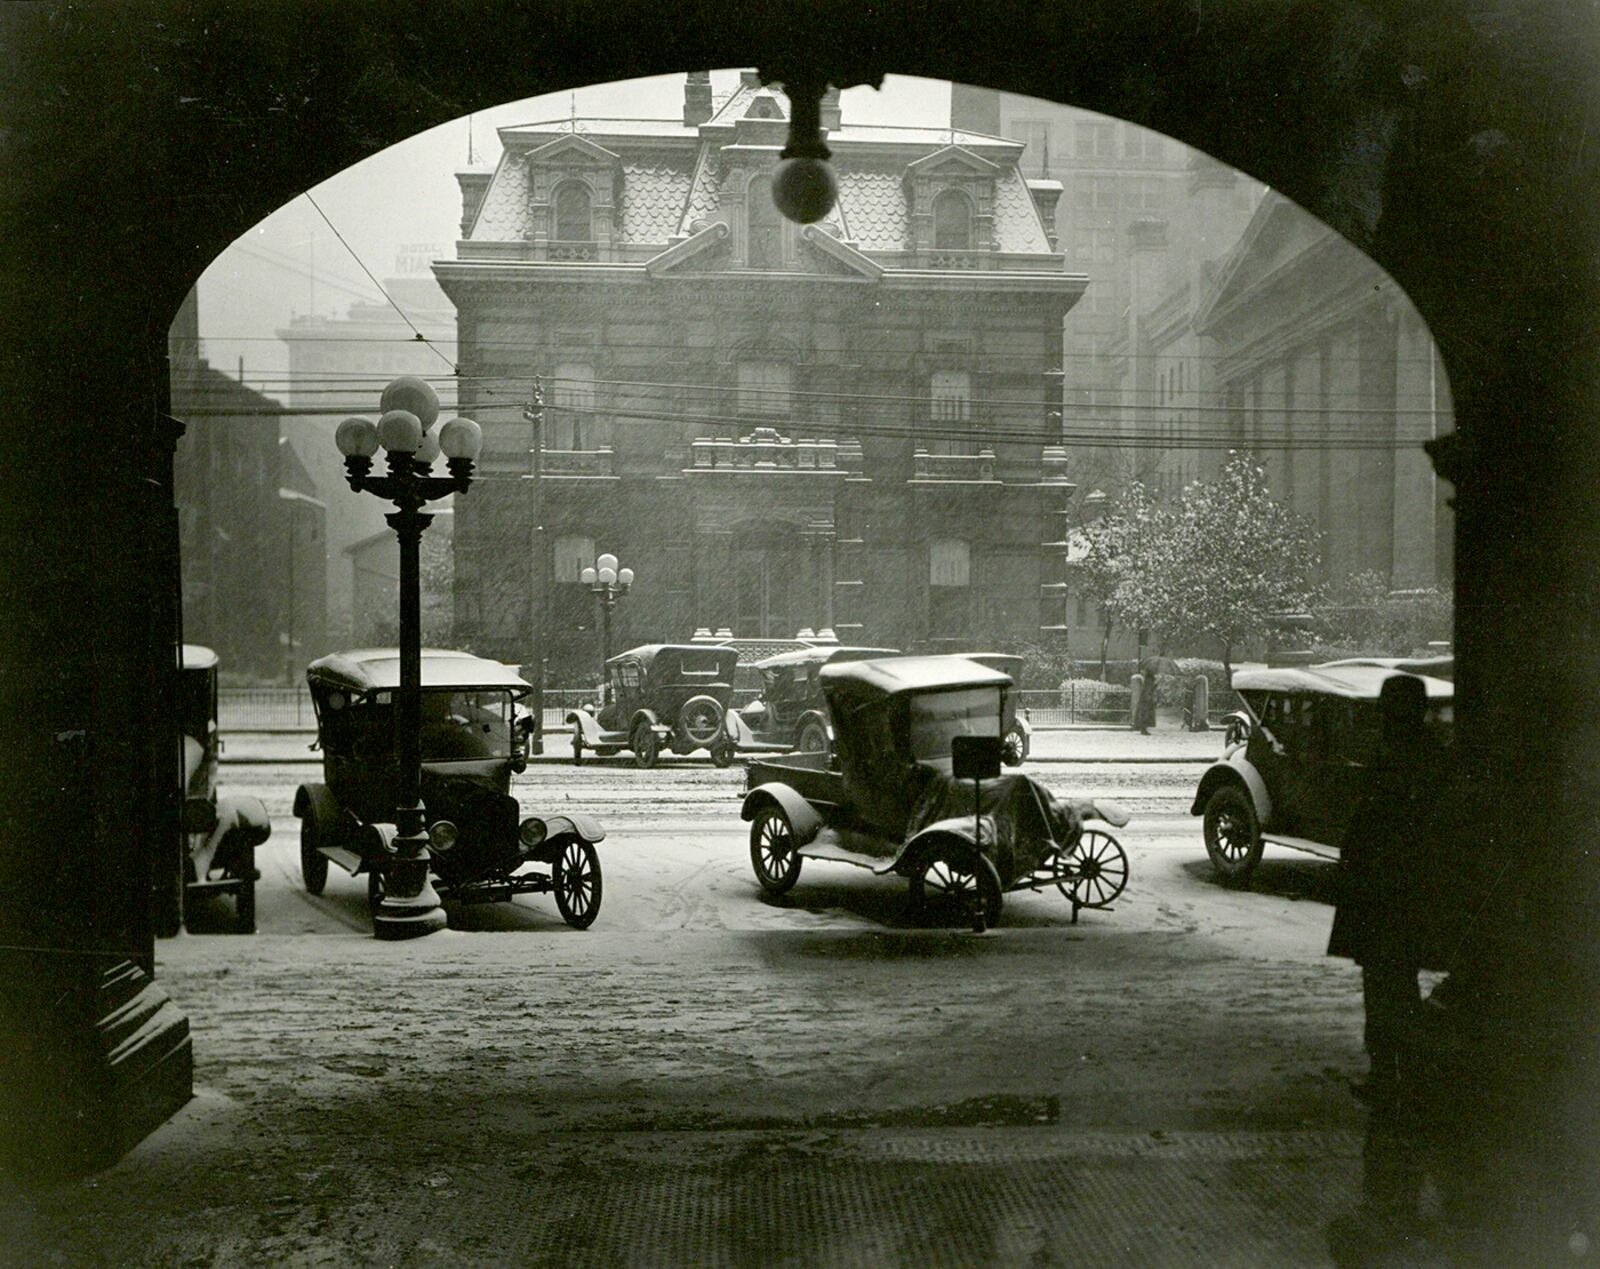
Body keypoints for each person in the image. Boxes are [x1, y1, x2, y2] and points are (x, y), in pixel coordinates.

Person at [1326, 673, 1451, 1262]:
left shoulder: (1395, 761)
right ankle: (1400, 1068)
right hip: (1412, 892)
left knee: (1384, 985)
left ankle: (1391, 1069)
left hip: (1385, 894)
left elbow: (1373, 829)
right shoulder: (1433, 759)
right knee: (1395, 982)